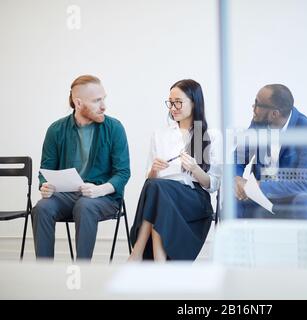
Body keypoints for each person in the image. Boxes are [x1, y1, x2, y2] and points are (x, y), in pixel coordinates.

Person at [32, 75, 131, 260]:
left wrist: (99, 190)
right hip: (66, 196)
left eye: (104, 98)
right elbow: (45, 170)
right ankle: (42, 274)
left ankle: (81, 273)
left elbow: (123, 172)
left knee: (85, 206)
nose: (104, 106)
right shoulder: (56, 130)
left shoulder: (114, 128)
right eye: (96, 101)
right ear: (78, 103)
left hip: (104, 198)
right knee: (41, 208)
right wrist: (44, 186)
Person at [129, 79, 221, 261]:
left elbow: (214, 184)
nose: (173, 107)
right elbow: (150, 178)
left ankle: (136, 253)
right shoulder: (160, 134)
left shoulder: (209, 135)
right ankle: (159, 261)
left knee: (157, 189)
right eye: (170, 102)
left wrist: (195, 169)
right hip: (162, 195)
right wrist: (154, 170)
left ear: (194, 102)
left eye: (178, 102)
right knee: (155, 186)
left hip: (194, 198)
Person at [234, 84, 307, 220]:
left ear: (274, 114)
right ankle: (233, 241)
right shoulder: (258, 123)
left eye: (257, 104)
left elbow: (305, 182)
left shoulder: (306, 129)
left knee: (304, 203)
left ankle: (306, 241)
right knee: (232, 202)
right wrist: (236, 179)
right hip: (261, 197)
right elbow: (237, 157)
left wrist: (259, 186)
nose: (253, 108)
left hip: (295, 196)